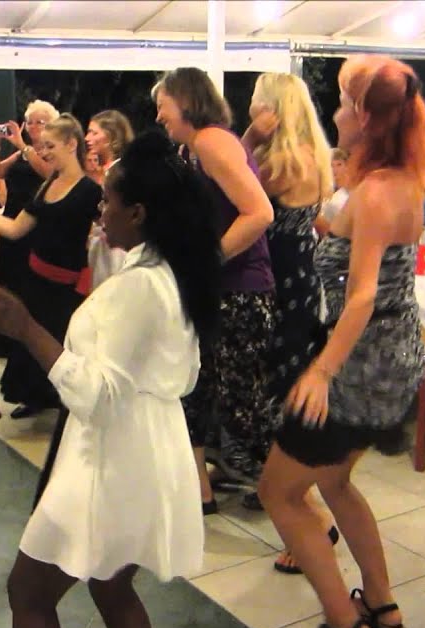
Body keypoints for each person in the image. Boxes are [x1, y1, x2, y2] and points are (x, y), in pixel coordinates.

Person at [0, 131, 221, 628]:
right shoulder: (170, 271)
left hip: (114, 453)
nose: (99, 208)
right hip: (145, 444)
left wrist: (27, 328)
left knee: (27, 594)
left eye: (107, 201)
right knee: (109, 583)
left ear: (139, 213)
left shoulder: (142, 286)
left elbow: (101, 396)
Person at [256, 55, 425, 628]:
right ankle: (380, 602)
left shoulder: (380, 191)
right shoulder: (399, 180)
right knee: (334, 482)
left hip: (363, 365)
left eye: (342, 102)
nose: (332, 113)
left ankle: (345, 626)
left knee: (279, 490)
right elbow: (370, 252)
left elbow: (359, 297)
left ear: (364, 116)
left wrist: (321, 371)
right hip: (393, 353)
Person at [153, 67, 276, 512]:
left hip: (239, 291)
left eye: (163, 104)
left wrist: (208, 261)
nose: (158, 114)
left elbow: (259, 213)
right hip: (219, 289)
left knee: (245, 405)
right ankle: (199, 489)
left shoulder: (210, 142)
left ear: (186, 100)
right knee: (196, 388)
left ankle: (302, 507)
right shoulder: (198, 146)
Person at [239, 72, 340, 571]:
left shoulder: (277, 161)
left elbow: (228, 185)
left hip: (277, 287)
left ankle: (311, 517)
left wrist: (250, 138)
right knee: (285, 395)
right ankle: (304, 508)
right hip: (302, 281)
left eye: (256, 103)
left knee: (278, 401)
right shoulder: (315, 157)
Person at [0, 114, 102, 419]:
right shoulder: (48, 185)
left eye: (50, 146)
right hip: (36, 279)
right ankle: (38, 399)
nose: (43, 152)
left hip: (67, 287)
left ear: (72, 144)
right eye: (43, 146)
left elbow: (108, 232)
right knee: (32, 344)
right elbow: (15, 229)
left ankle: (66, 405)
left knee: (61, 348)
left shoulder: (90, 189)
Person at [0, 100, 59, 361]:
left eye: (40, 122)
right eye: (31, 121)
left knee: (31, 283)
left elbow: (48, 174)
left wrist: (23, 146)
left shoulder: (49, 152)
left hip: (36, 223)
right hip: (11, 218)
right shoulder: (22, 152)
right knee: (4, 280)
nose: (34, 127)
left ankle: (29, 340)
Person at [85, 109, 135, 288]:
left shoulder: (121, 171)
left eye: (94, 133)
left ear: (111, 136)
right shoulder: (102, 171)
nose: (87, 138)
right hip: (101, 248)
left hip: (117, 251)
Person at [315, 147, 349, 238]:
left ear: (347, 166)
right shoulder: (322, 193)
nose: (334, 169)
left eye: (339, 164)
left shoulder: (350, 193)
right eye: (331, 165)